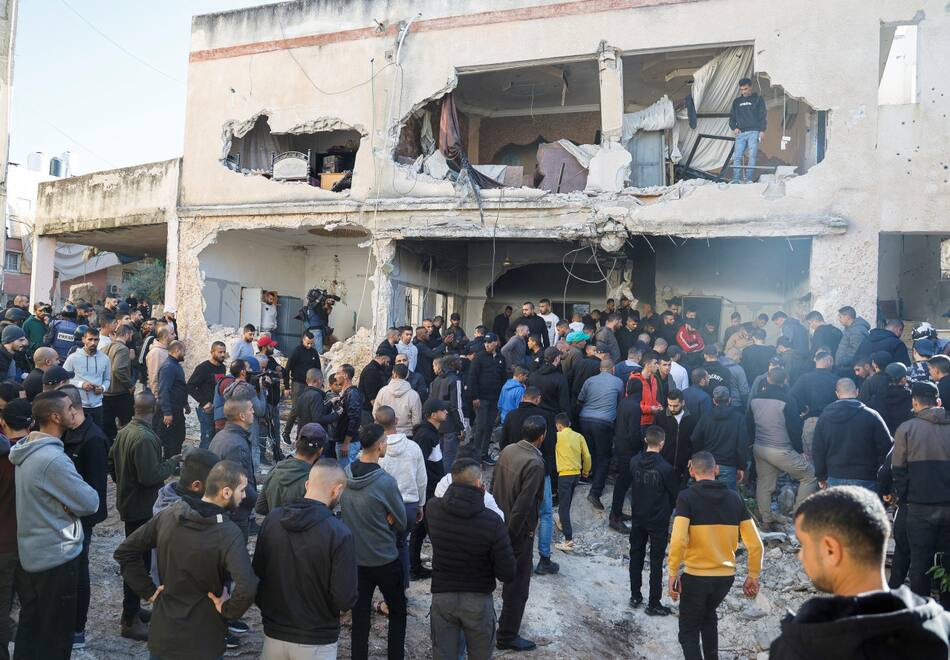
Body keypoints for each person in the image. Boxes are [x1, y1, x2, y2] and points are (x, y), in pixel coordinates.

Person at [770, 486, 950, 658]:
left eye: (804, 545)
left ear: (831, 549)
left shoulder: (797, 648)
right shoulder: (943, 628)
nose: (800, 556)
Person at [114, 460, 259, 660]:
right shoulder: (228, 533)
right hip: (203, 641)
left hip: (164, 637)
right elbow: (248, 586)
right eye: (242, 490)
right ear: (226, 492)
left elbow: (125, 552)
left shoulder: (168, 515)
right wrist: (228, 610)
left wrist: (149, 591)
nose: (244, 495)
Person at [9, 390, 99, 659]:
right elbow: (91, 502)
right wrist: (69, 504)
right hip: (56, 560)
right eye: (70, 408)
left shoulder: (26, 449)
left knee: (31, 630)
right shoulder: (53, 460)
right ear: (55, 417)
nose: (75, 411)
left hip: (32, 557)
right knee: (56, 638)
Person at [253, 459, 357, 660]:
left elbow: (256, 575)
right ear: (337, 490)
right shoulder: (339, 533)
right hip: (317, 638)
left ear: (308, 484)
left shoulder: (272, 520)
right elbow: (344, 597)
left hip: (274, 632)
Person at [668, 451, 764, 660]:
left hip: (696, 577)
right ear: (717, 470)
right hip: (724, 579)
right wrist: (753, 575)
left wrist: (673, 572)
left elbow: (678, 540)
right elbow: (756, 544)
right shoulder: (735, 498)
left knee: (688, 634)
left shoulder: (686, 497)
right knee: (708, 617)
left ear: (692, 471)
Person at [108, 391, 182, 640]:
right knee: (137, 563)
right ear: (155, 411)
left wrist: (124, 484)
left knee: (136, 559)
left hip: (130, 504)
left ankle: (132, 611)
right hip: (141, 508)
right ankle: (130, 619)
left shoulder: (124, 432)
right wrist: (172, 462)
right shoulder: (145, 438)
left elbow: (111, 464)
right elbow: (150, 476)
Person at [426, 457, 515, 659]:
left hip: (443, 596)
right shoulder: (493, 521)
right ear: (479, 483)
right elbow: (507, 573)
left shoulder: (432, 509)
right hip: (478, 600)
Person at [341, 423, 408, 660]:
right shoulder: (385, 482)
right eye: (385, 442)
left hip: (356, 560)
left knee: (360, 618)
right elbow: (402, 521)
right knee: (398, 612)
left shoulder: (345, 474)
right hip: (385, 559)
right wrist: (388, 517)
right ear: (380, 446)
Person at [891, 381, 950, 607]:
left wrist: (903, 498)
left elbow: (898, 470)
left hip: (919, 507)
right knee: (948, 563)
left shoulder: (906, 429)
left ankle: (922, 612)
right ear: (938, 402)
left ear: (914, 402)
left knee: (920, 562)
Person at [492, 416, 547, 652]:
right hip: (517, 532)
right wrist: (512, 537)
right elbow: (523, 506)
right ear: (542, 436)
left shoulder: (508, 450)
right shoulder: (535, 463)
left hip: (497, 522)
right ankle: (507, 635)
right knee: (517, 587)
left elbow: (494, 484)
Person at [748, 367, 817, 531]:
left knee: (764, 483)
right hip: (780, 449)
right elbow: (794, 428)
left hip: (760, 447)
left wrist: (751, 444)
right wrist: (800, 450)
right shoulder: (787, 400)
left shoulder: (755, 399)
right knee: (810, 475)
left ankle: (766, 520)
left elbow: (749, 423)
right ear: (785, 381)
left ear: (768, 379)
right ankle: (799, 517)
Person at [498, 387, 558, 574]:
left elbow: (503, 442)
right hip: (539, 469)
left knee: (512, 507)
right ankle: (544, 558)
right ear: (538, 398)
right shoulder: (545, 417)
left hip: (512, 466)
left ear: (523, 397)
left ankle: (520, 555)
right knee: (545, 513)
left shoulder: (511, 415)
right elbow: (551, 445)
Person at [375, 405, 427, 593]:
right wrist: (420, 505)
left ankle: (384, 591)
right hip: (408, 506)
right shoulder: (413, 447)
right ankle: (401, 589)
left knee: (381, 548)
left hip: (383, 508)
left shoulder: (375, 450)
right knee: (401, 545)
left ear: (376, 423)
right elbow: (422, 480)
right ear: (396, 421)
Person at [628, 426, 679, 615]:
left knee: (636, 555)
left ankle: (635, 596)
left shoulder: (634, 461)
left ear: (645, 441)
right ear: (662, 443)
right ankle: (653, 603)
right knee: (656, 561)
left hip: (637, 516)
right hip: (658, 519)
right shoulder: (666, 469)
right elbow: (675, 494)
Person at [812, 378, 892, 492]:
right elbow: (887, 447)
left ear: (837, 394)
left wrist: (821, 476)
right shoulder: (871, 415)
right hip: (866, 477)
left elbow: (818, 449)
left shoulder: (824, 418)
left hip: (835, 476)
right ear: (857, 392)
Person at [578, 358, 624, 513]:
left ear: (600, 368)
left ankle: (587, 477)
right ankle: (595, 492)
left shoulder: (589, 380)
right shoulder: (618, 382)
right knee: (604, 457)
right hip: (604, 422)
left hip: (585, 419)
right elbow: (620, 403)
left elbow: (580, 400)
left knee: (589, 452)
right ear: (613, 369)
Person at [209, 398, 259, 540]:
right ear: (242, 416)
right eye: (250, 409)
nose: (253, 412)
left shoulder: (222, 435)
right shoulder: (236, 445)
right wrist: (259, 501)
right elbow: (238, 482)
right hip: (235, 513)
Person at [255, 423, 326, 515]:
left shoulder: (275, 470)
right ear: (320, 451)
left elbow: (260, 508)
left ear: (296, 444)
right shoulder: (313, 480)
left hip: (274, 523)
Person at [690, 386, 750, 491]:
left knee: (706, 496)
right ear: (729, 400)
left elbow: (695, 438)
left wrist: (698, 457)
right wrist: (742, 466)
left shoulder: (706, 416)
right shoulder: (739, 418)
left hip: (708, 464)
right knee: (727, 498)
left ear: (714, 401)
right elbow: (742, 445)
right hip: (728, 465)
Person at [789, 350, 838, 458]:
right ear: (829, 361)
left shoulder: (805, 378)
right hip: (831, 421)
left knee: (811, 458)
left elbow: (791, 396)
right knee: (830, 456)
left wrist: (802, 409)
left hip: (811, 421)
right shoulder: (835, 379)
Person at [468, 332, 506, 466]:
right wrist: (475, 397)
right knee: (481, 426)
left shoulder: (501, 358)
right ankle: (476, 454)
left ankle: (484, 453)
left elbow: (503, 377)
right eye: (485, 342)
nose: (487, 345)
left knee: (490, 426)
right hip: (482, 398)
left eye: (489, 342)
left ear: (496, 343)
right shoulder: (479, 357)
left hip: (494, 398)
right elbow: (472, 377)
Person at [554, 413, 591, 551]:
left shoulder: (557, 436)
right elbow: (587, 456)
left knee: (563, 506)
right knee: (567, 502)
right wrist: (586, 471)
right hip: (576, 475)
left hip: (564, 475)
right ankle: (562, 522)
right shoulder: (579, 436)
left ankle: (568, 539)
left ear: (559, 425)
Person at [63, 326, 111, 429]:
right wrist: (81, 384)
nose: (93, 343)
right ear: (83, 339)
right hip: (79, 406)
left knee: (97, 433)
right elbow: (63, 379)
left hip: (98, 405)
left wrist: (103, 388)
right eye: (90, 339)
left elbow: (107, 379)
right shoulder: (73, 357)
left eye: (96, 340)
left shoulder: (105, 359)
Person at [427, 355, 467, 470]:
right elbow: (457, 406)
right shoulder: (456, 380)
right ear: (452, 364)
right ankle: (447, 480)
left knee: (439, 457)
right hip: (451, 425)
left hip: (437, 424)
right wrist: (462, 426)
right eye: (459, 361)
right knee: (449, 459)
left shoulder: (436, 380)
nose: (461, 363)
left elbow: (431, 402)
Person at [281, 331, 322, 440]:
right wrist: (286, 386)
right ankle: (286, 432)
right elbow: (287, 369)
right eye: (308, 343)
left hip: (311, 385)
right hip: (298, 383)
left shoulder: (314, 353)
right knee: (296, 409)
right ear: (303, 340)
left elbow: (318, 368)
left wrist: (320, 384)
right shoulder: (297, 351)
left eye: (311, 343)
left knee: (306, 411)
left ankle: (301, 436)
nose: (310, 345)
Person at [186, 341, 227, 450]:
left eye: (224, 352)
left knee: (217, 440)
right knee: (207, 439)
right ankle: (201, 460)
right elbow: (190, 386)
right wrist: (204, 402)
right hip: (206, 410)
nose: (223, 355)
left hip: (218, 410)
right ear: (212, 352)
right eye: (220, 352)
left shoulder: (222, 367)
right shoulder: (203, 368)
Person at [655, 389, 697, 490]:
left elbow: (695, 441)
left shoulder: (691, 419)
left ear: (683, 403)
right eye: (669, 405)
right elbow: (654, 438)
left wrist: (693, 457)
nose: (672, 408)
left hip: (683, 466)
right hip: (664, 464)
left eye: (675, 406)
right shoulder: (660, 417)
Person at [728, 77, 766, 183]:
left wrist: (762, 130)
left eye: (745, 89)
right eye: (741, 89)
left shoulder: (758, 99)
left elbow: (762, 115)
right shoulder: (737, 102)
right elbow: (732, 117)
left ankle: (749, 179)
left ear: (751, 87)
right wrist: (734, 127)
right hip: (740, 133)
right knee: (737, 156)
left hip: (754, 132)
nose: (744, 92)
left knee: (752, 156)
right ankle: (736, 179)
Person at [156, 340, 189, 460]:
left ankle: (174, 463)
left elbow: (179, 387)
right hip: (171, 411)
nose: (185, 354)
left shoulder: (174, 365)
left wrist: (185, 404)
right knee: (171, 441)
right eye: (184, 351)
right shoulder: (168, 367)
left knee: (178, 438)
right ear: (177, 350)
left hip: (177, 409)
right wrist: (167, 412)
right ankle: (170, 464)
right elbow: (163, 391)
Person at [101, 323, 133, 441]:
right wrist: (129, 385)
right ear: (127, 334)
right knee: (127, 426)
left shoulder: (105, 348)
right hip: (120, 395)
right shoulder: (123, 349)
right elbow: (118, 369)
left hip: (105, 394)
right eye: (131, 335)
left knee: (108, 428)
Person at [372, 364, 422, 437]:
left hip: (385, 433)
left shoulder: (382, 391)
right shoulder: (413, 395)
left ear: (393, 374)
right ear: (407, 375)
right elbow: (417, 420)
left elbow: (375, 412)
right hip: (406, 434)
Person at [334, 364, 364, 468]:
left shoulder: (352, 393)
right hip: (344, 441)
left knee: (346, 473)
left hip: (348, 443)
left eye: (338, 373)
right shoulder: (346, 393)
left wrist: (346, 443)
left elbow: (354, 419)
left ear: (345, 375)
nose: (335, 376)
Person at [871, 362, 914, 433]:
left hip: (887, 436)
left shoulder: (877, 397)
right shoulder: (910, 397)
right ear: (903, 379)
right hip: (907, 435)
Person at [835, 306, 871, 375]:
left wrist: (842, 361)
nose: (839, 319)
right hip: (846, 367)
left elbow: (856, 352)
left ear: (847, 317)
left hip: (850, 369)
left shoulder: (856, 331)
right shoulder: (850, 329)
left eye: (840, 317)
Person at [631, 351, 662, 428]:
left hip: (653, 421)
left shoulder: (654, 379)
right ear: (647, 364)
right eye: (655, 363)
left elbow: (654, 399)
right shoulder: (635, 379)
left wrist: (658, 405)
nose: (658, 366)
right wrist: (650, 409)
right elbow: (631, 404)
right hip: (640, 422)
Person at [358, 351, 390, 424]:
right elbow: (372, 397)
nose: (388, 365)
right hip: (368, 412)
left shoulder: (376, 370)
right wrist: (379, 416)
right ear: (383, 359)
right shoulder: (371, 371)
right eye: (387, 362)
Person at [145, 325, 172, 396]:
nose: (175, 335)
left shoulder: (165, 350)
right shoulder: (156, 352)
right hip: (160, 396)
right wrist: (156, 396)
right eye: (172, 334)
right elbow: (154, 376)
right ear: (165, 337)